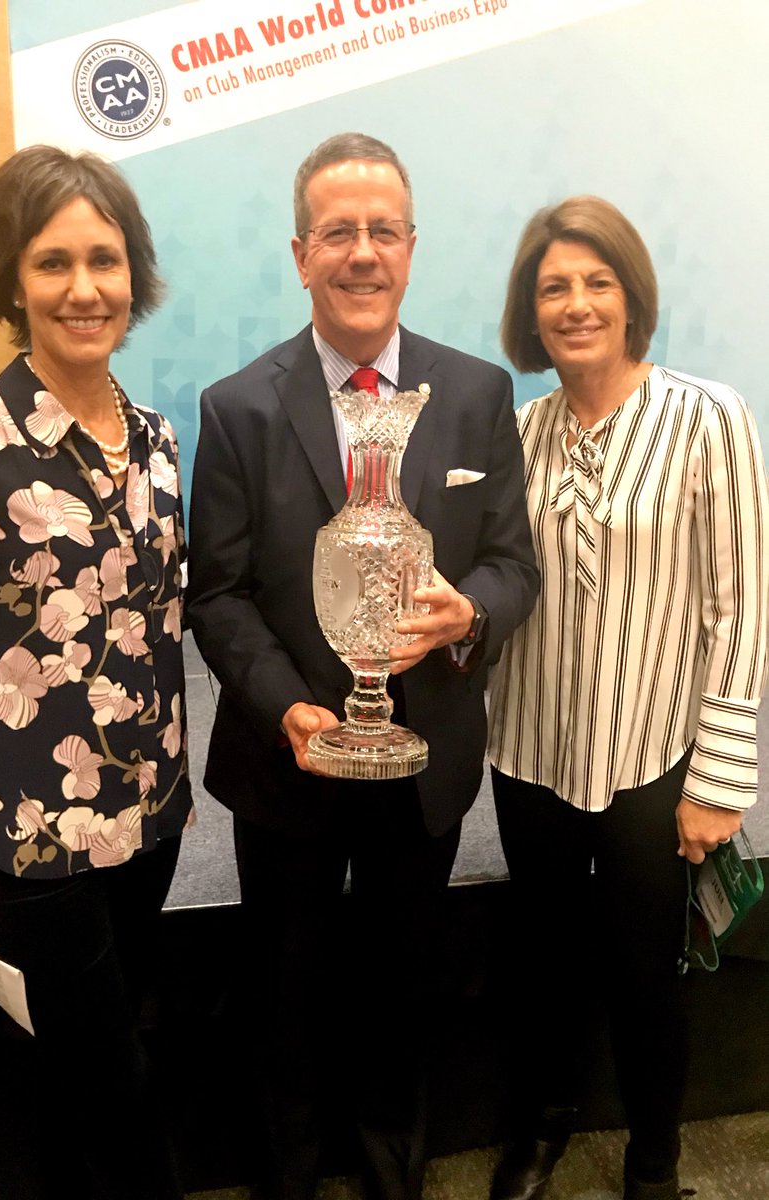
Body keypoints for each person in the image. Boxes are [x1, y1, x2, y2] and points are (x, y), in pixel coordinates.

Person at [185, 131, 539, 1200]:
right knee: (281, 988)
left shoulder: (476, 393)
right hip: (285, 755)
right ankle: (288, 1172)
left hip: (424, 752)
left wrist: (467, 614)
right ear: (301, 255)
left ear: (412, 248)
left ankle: (392, 1164)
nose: (363, 251)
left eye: (384, 229)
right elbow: (219, 592)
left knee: (401, 982)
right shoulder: (238, 407)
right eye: (338, 231)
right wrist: (289, 708)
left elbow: (512, 563)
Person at [0, 145, 192, 1200]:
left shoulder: (156, 441)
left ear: (133, 274)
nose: (84, 288)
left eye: (104, 260)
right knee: (119, 1091)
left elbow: (161, 629)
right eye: (52, 262)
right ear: (12, 281)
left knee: (74, 1083)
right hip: (32, 836)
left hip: (152, 818)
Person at [486, 195, 769, 1200]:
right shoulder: (517, 434)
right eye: (554, 287)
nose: (576, 304)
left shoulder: (710, 418)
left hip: (653, 755)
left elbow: (739, 607)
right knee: (545, 962)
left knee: (647, 971)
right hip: (529, 751)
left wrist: (720, 779)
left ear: (631, 296)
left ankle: (655, 1158)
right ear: (531, 311)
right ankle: (542, 1130)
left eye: (597, 282)